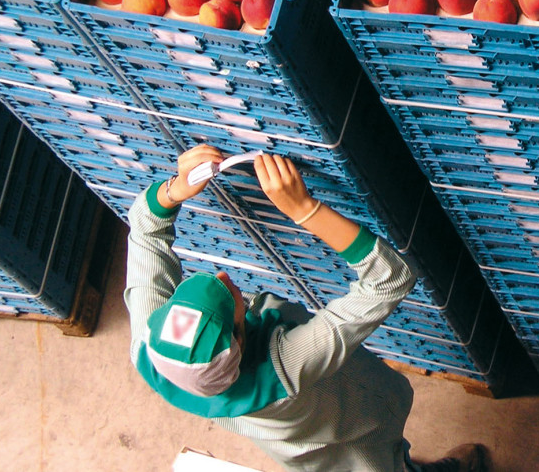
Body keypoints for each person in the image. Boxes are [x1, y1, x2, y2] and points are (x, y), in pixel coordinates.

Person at [124, 144, 492, 472]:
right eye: (227, 296)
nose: (222, 275)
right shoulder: (289, 363)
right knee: (383, 460)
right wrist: (305, 208)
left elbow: (144, 231)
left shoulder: (150, 344)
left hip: (294, 450)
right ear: (239, 339)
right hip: (350, 435)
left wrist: (174, 191)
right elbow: (389, 279)